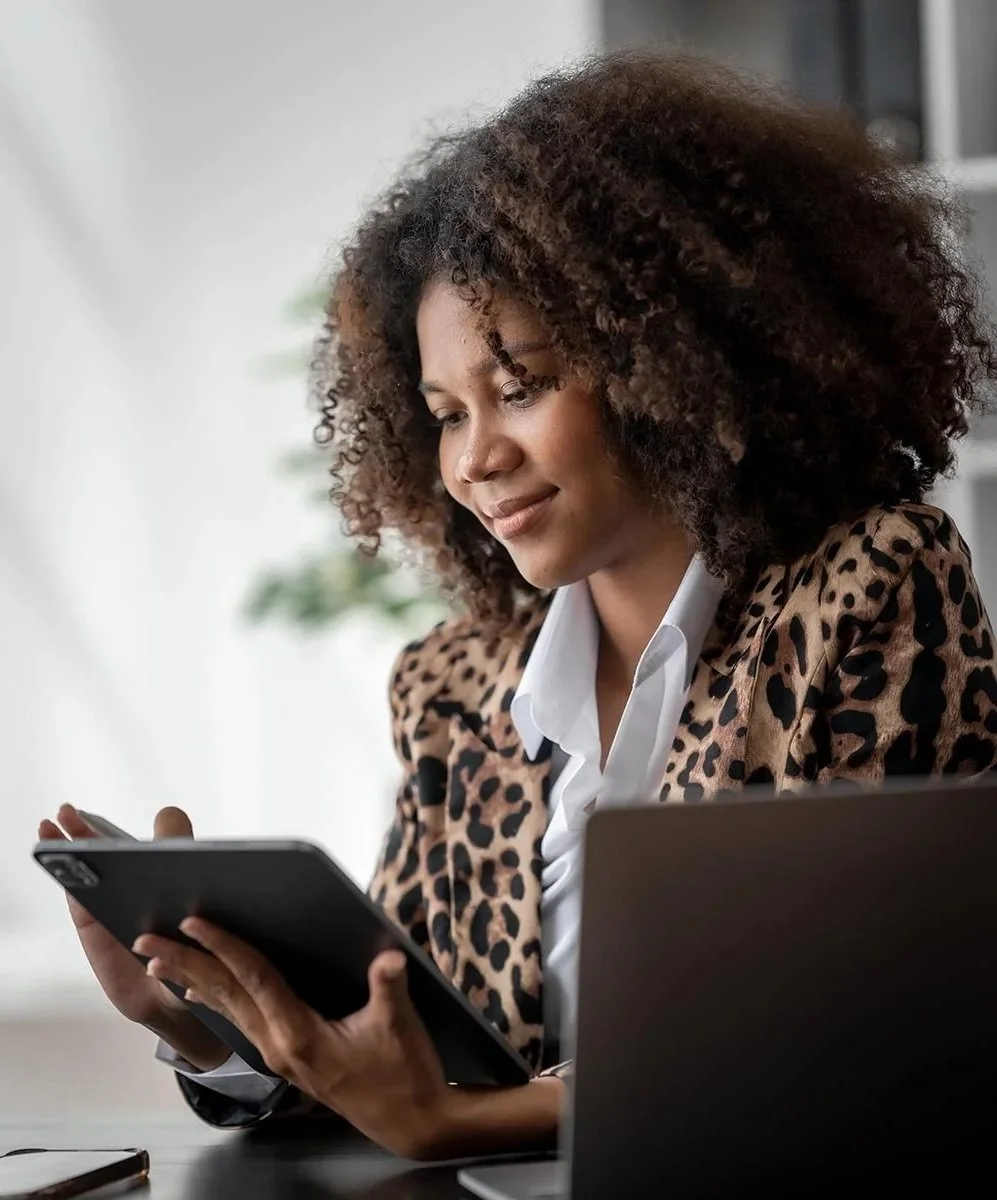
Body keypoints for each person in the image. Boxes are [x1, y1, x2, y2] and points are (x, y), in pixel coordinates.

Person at [40, 49, 997, 1161]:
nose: (476, 458)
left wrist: (469, 1123)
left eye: (521, 386)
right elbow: (398, 1058)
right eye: (445, 412)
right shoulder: (451, 687)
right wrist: (204, 1023)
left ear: (673, 363)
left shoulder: (868, 589)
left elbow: (860, 1040)